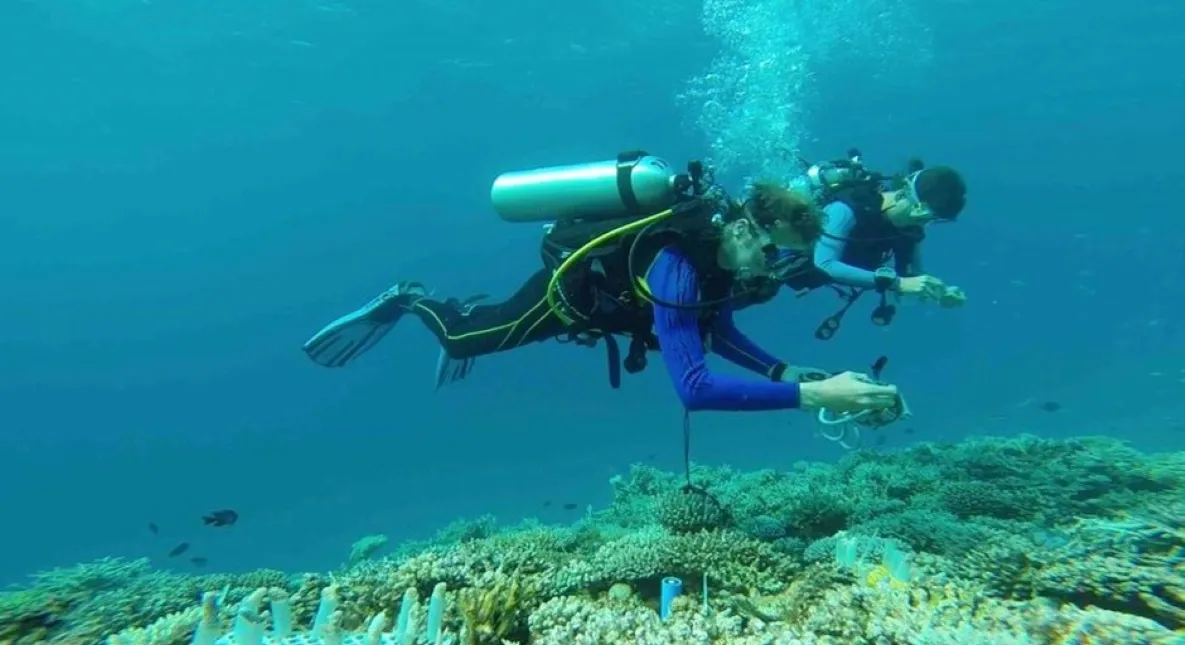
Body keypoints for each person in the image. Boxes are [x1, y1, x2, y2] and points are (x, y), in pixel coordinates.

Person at [302, 152, 905, 419]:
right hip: (564, 302)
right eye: (771, 252)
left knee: (470, 337)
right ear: (746, 227)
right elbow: (693, 388)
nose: (772, 270)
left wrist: (781, 372)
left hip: (616, 311)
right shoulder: (678, 265)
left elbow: (714, 328)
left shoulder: (724, 269)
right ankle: (411, 298)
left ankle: (449, 306)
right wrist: (816, 398)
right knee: (463, 341)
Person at [772, 153, 969, 339]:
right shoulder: (848, 207)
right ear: (920, 209)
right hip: (773, 260)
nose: (927, 225)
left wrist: (939, 294)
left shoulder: (907, 232)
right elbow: (824, 262)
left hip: (801, 278)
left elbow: (911, 284)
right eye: (932, 219)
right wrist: (896, 283)